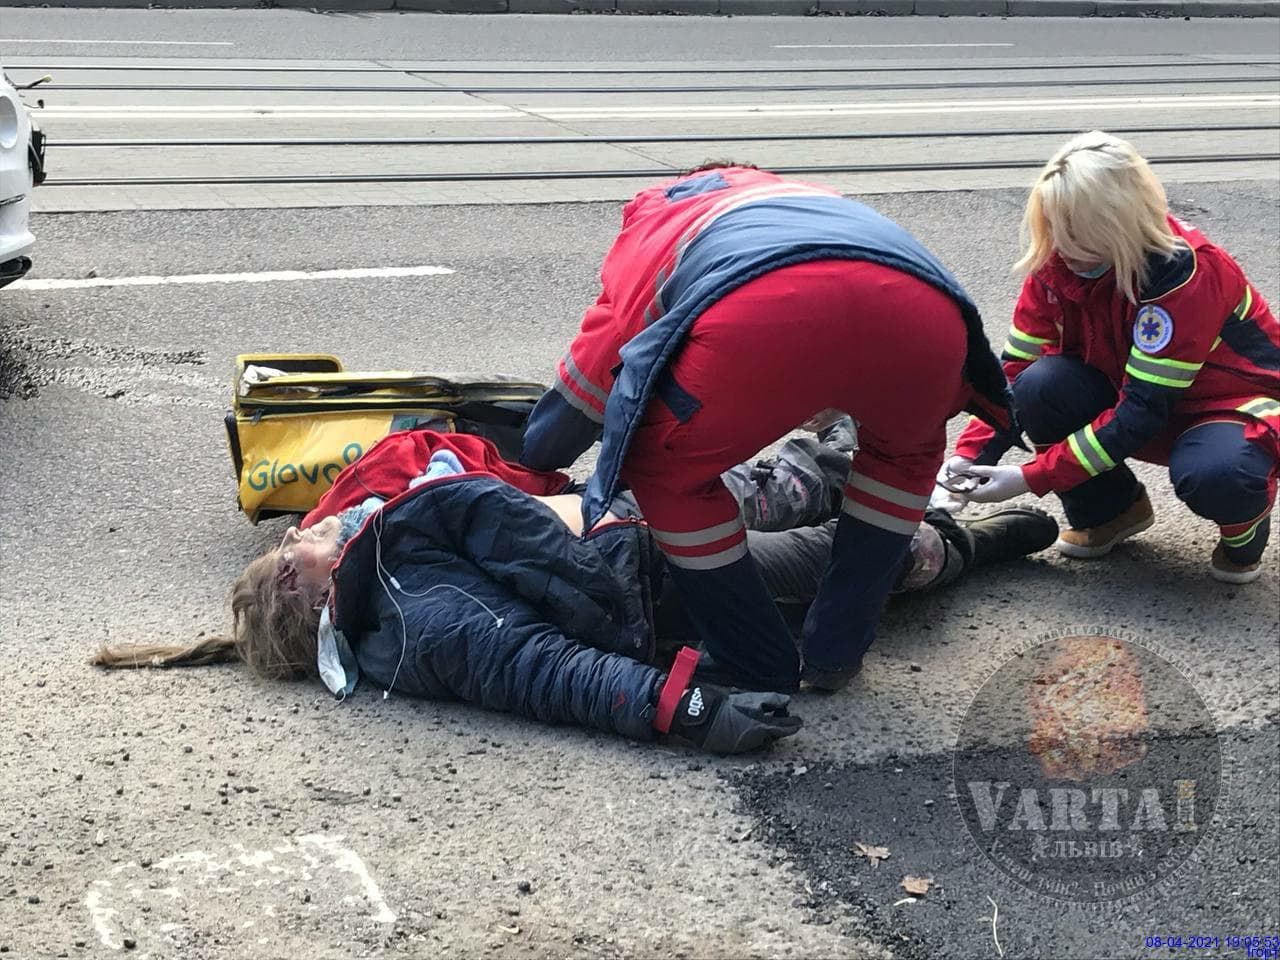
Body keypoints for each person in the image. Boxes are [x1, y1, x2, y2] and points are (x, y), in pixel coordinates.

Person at [92, 428, 1057, 754]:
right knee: (872, 562)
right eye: (294, 554)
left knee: (796, 484)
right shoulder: (413, 619)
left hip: (626, 535)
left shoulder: (383, 552)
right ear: (309, 602)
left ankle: (894, 470)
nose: (308, 531)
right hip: (664, 591)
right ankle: (976, 544)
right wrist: (684, 710)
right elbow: (540, 669)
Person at [520, 162, 1020, 693]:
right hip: (924, 314)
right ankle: (837, 651)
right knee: (903, 461)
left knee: (666, 473)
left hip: (763, 318)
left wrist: (537, 455)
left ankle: (754, 658)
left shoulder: (657, 220)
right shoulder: (800, 196)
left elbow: (593, 378)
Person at [936, 131, 1278, 585]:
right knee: (1041, 386)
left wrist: (1031, 478)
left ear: (1122, 223)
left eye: (1081, 231)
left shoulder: (1186, 275)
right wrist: (967, 457)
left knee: (1220, 474)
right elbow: (1014, 375)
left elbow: (1140, 412)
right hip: (1131, 392)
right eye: (1057, 226)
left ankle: (1244, 530)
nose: (1066, 245)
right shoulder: (1056, 260)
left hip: (1228, 408)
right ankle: (1112, 511)